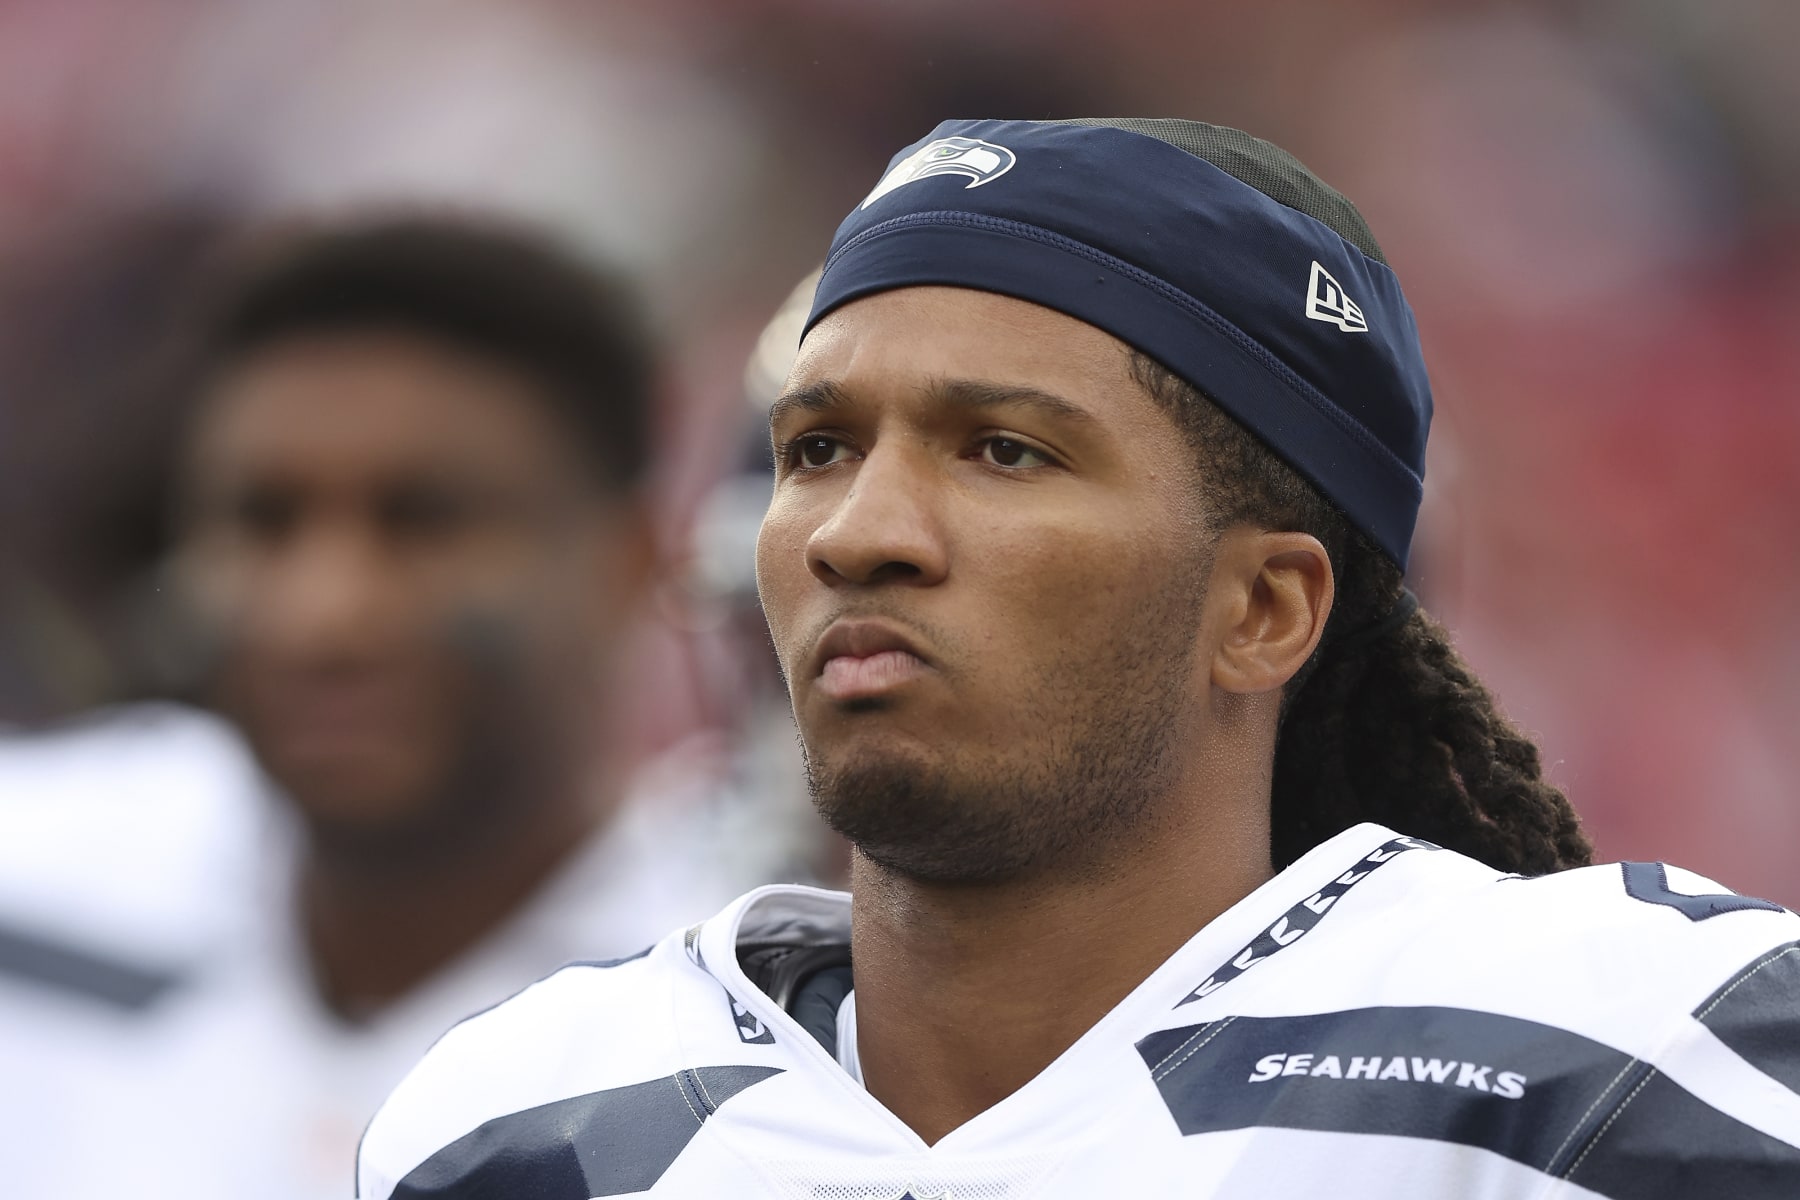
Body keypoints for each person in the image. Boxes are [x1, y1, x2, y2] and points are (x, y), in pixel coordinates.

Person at [355, 120, 1800, 1199]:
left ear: (1266, 611)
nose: (859, 533)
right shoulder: (518, 1117)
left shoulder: (1621, 1056)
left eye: (1004, 450)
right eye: (818, 451)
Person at [0, 215, 765, 1200]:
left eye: (423, 520)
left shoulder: (757, 1017)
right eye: (264, 521)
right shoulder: (37, 869)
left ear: (630, 560)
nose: (325, 615)